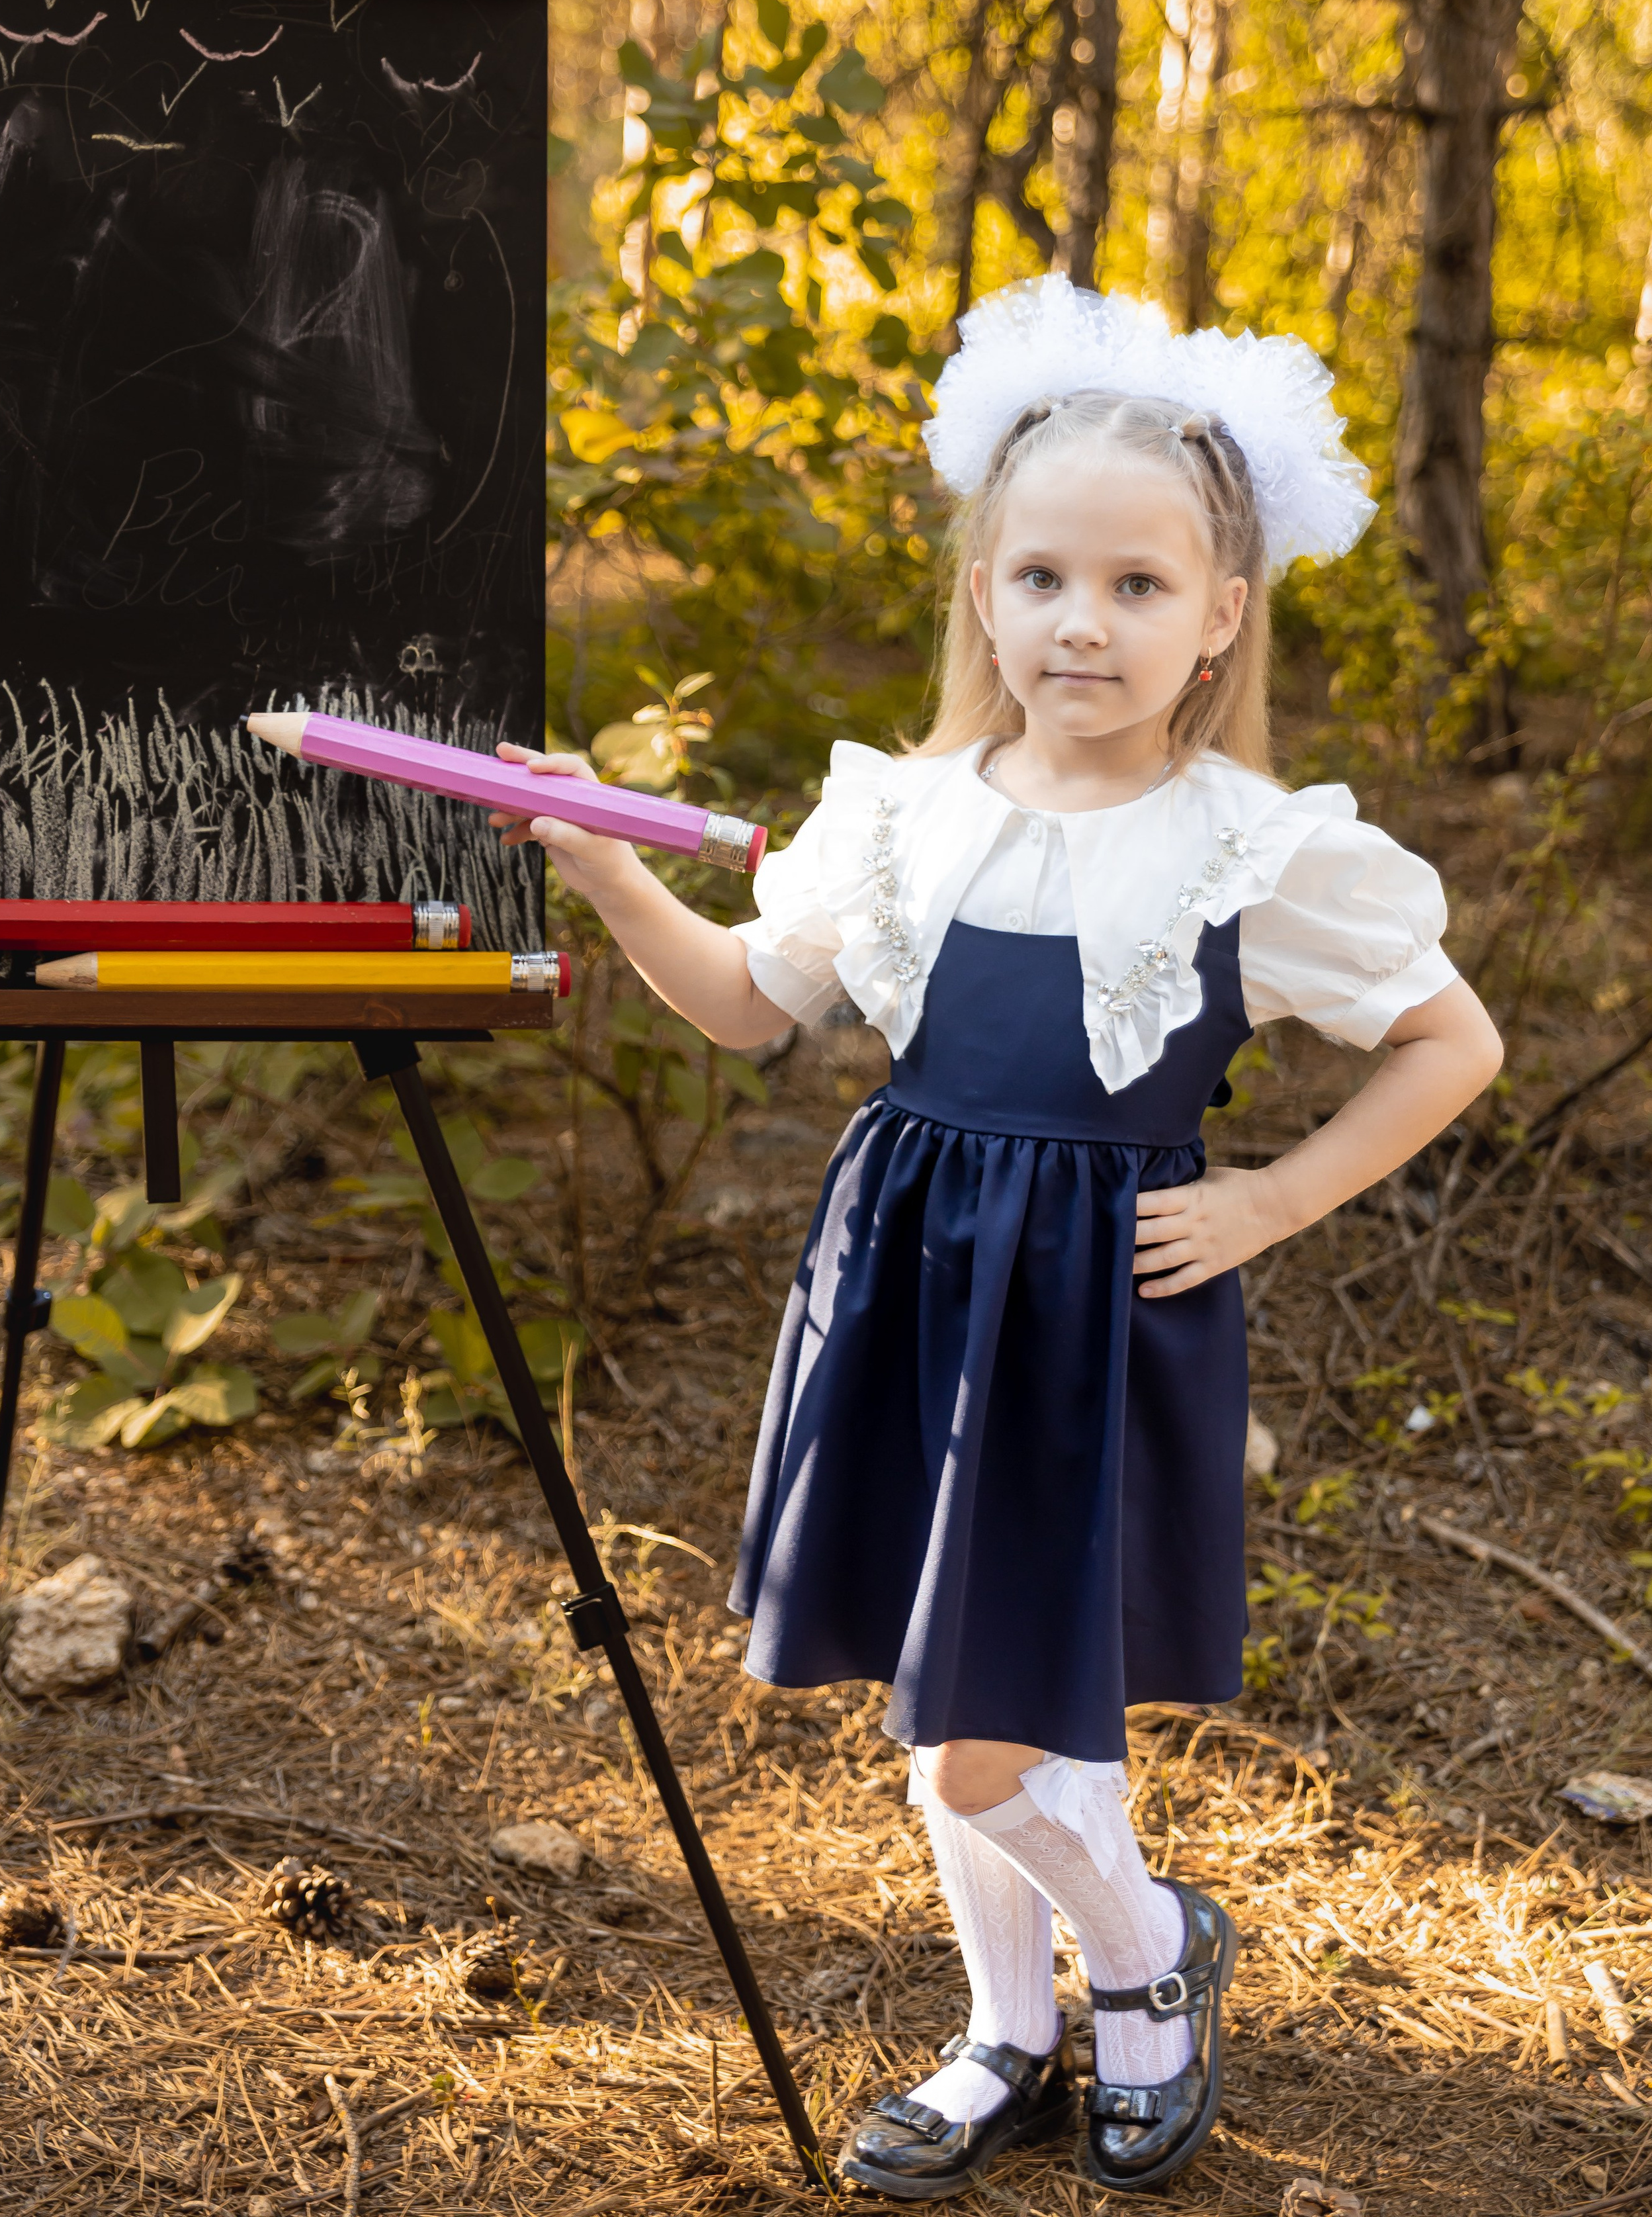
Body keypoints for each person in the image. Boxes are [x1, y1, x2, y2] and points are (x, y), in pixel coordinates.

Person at [490, 275, 1503, 2200]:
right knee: (973, 1702)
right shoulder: (909, 811)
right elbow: (751, 1003)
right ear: (984, 591)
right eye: (1044, 577)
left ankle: (1145, 1966)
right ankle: (1013, 2029)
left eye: (1139, 586)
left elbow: (1455, 1040)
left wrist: (1276, 1196)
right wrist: (614, 870)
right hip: (914, 1278)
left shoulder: (1247, 848)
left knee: (983, 1726)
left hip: (1092, 1308)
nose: (1084, 621)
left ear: (1221, 614)